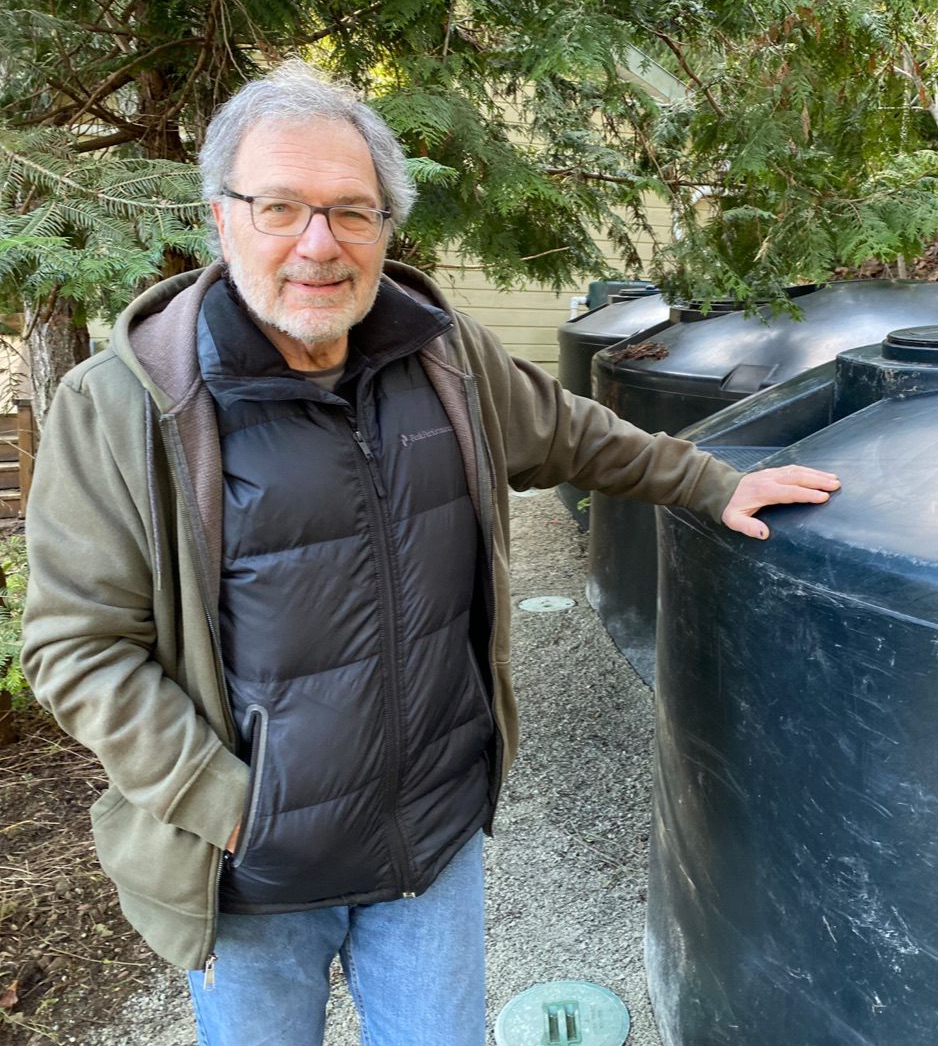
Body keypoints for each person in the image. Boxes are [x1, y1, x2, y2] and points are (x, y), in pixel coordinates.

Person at [21, 61, 840, 1046]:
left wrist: (711, 480)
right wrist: (222, 802)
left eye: (352, 212)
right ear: (221, 215)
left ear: (385, 227)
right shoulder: (127, 407)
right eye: (281, 207)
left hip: (429, 850)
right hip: (252, 877)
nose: (319, 244)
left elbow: (573, 433)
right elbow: (75, 646)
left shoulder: (443, 359)